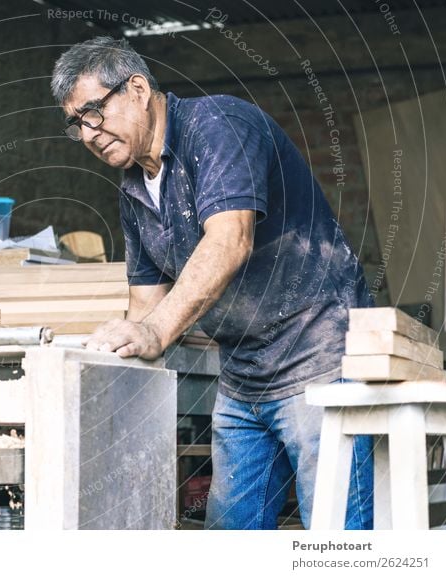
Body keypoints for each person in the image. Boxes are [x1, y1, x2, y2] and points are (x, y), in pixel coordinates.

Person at [51, 36, 373, 530]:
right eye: (77, 123)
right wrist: (99, 363)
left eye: (93, 111)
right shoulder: (135, 188)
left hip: (320, 360)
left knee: (337, 540)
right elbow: (145, 307)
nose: (89, 133)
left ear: (137, 88)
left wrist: (156, 332)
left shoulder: (219, 126)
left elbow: (230, 240)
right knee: (229, 540)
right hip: (244, 377)